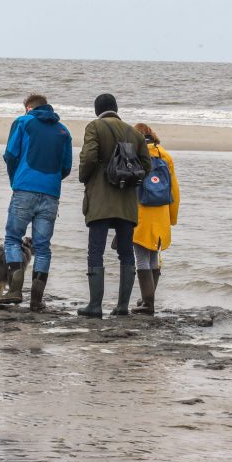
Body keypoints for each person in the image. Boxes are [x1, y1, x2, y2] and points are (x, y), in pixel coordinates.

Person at [76, 93, 151, 318]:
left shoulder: (95, 127)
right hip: (127, 202)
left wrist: (84, 176)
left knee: (96, 251)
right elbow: (146, 166)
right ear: (116, 109)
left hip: (100, 199)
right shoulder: (134, 133)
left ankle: (95, 305)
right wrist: (127, 178)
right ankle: (122, 307)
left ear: (97, 110)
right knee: (126, 252)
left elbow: (89, 157)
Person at [0, 93, 73, 311]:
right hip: (51, 194)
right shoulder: (64, 131)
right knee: (43, 247)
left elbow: (10, 154)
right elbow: (66, 167)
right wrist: (50, 181)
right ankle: (37, 299)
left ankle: (15, 290)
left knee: (12, 238)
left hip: (24, 188)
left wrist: (16, 179)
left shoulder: (23, 122)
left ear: (28, 107)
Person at [129, 123, 180, 316]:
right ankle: (147, 299)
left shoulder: (134, 156)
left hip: (141, 212)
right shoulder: (165, 155)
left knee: (141, 256)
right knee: (153, 256)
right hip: (161, 214)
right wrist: (172, 218)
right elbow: (174, 190)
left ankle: (148, 303)